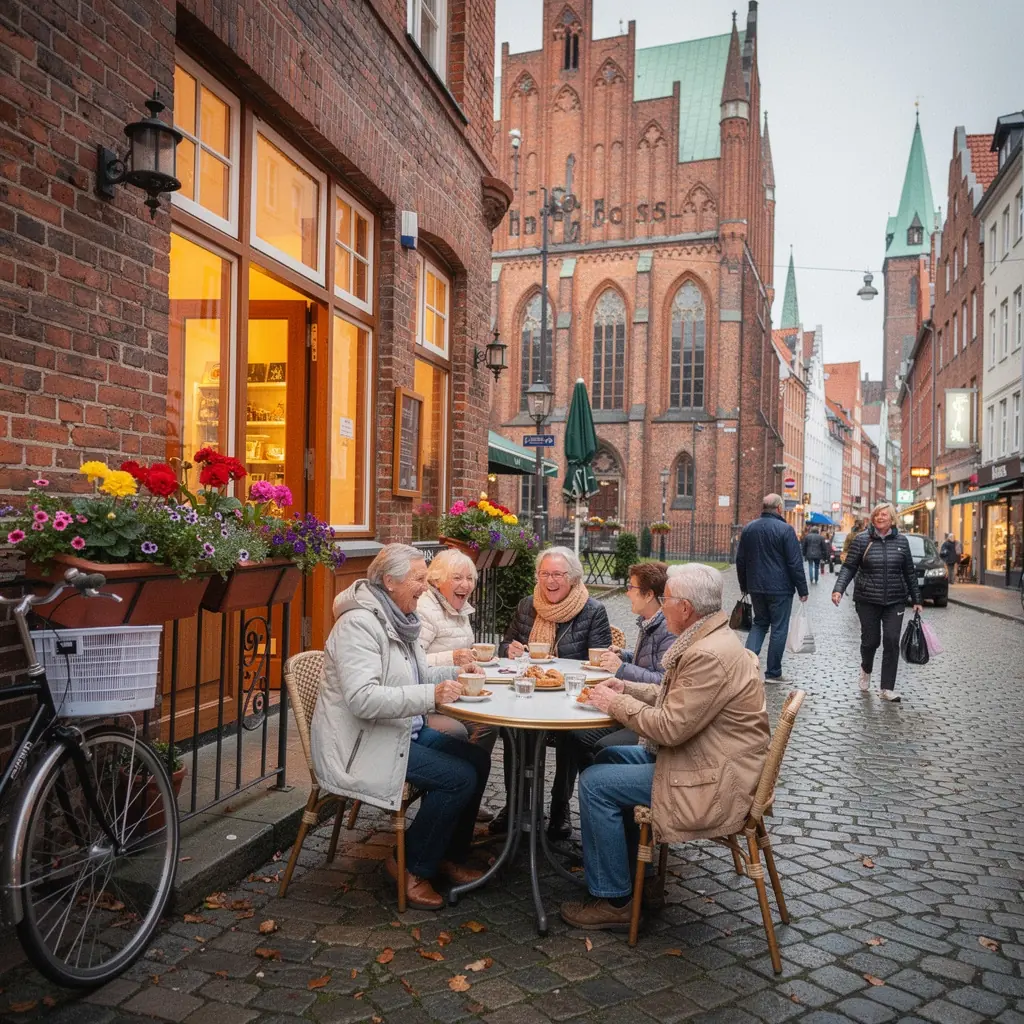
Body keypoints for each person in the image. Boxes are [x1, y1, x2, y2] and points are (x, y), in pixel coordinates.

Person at [559, 563, 770, 930]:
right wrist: (628, 688)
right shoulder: (709, 639)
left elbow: (670, 728)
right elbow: (676, 698)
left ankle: (616, 900)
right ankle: (639, 877)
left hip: (713, 779)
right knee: (608, 755)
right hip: (707, 757)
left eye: (667, 599)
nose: (663, 605)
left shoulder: (707, 654)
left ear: (685, 608)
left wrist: (615, 705)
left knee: (595, 783)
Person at [311, 544, 491, 910]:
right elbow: (363, 699)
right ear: (390, 581)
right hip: (361, 745)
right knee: (458, 778)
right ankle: (410, 865)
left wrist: (455, 672)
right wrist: (432, 695)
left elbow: (417, 673)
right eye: (419, 578)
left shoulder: (396, 617)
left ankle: (446, 854)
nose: (425, 586)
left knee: (477, 760)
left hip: (397, 731)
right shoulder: (359, 625)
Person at [497, 546, 611, 839]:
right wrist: (508, 649)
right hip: (530, 691)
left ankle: (560, 808)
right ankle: (518, 805)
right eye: (544, 573)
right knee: (514, 728)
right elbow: (506, 644)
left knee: (570, 735)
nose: (550, 580)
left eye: (558, 574)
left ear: (572, 578)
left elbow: (602, 664)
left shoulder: (593, 611)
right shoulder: (527, 605)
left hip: (570, 695)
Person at [565, 562, 676, 775]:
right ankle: (572, 797)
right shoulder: (649, 621)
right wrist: (624, 655)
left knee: (599, 746)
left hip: (648, 715)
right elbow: (647, 663)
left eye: (631, 588)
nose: (627, 593)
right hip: (634, 704)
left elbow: (663, 682)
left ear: (649, 594)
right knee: (574, 736)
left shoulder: (667, 629)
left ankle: (602, 787)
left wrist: (621, 668)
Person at [832, 502, 922, 703]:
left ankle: (887, 688)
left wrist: (916, 599)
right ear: (872, 518)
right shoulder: (862, 540)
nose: (880, 518)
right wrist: (838, 589)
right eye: (877, 515)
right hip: (867, 599)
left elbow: (909, 572)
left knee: (891, 640)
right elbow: (849, 567)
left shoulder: (902, 542)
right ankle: (866, 668)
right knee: (871, 641)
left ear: (892, 519)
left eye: (884, 515)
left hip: (895, 600)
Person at [735, 493, 809, 682]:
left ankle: (745, 668)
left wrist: (744, 585)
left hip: (756, 587)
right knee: (778, 628)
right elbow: (795, 563)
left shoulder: (749, 529)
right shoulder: (785, 530)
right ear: (779, 508)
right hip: (781, 588)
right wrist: (802, 590)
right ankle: (773, 672)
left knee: (759, 624)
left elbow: (740, 560)